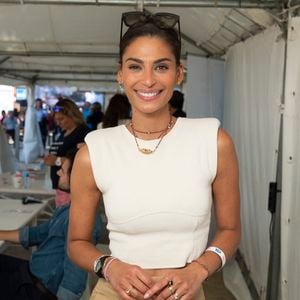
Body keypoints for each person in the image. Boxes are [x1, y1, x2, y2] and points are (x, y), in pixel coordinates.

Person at [68, 11, 240, 300]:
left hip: (184, 292)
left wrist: (198, 270)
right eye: (136, 67)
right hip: (115, 293)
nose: (148, 80)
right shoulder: (94, 151)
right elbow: (76, 242)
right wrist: (108, 266)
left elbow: (231, 230)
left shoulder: (213, 141)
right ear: (120, 74)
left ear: (178, 73)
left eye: (161, 67)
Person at [0, 149, 103, 300]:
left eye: (63, 170)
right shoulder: (70, 209)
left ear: (77, 177)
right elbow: (36, 234)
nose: (59, 173)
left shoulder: (83, 219)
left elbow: (73, 281)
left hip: (36, 288)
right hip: (32, 272)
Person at [44, 97, 91, 207]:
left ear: (72, 116)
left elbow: (81, 160)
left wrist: (57, 161)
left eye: (61, 119)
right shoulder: (63, 132)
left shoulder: (83, 133)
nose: (58, 123)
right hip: (61, 186)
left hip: (73, 188)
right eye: (56, 120)